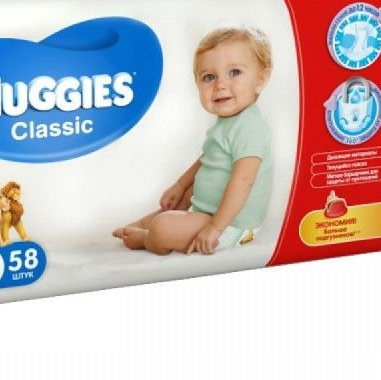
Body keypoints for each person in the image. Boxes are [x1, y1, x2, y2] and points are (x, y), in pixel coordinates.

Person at [113, 27, 273, 255]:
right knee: (183, 196)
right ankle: (143, 223)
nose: (220, 85)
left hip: (230, 225)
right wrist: (180, 185)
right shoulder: (228, 122)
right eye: (209, 77)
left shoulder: (251, 126)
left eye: (235, 72)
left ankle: (149, 237)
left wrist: (215, 228)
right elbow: (208, 159)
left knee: (163, 227)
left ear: (260, 80)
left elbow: (244, 180)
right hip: (206, 211)